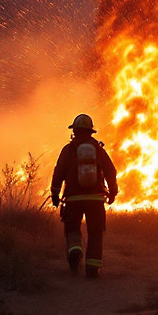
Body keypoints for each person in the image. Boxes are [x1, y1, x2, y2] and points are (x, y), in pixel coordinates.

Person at [50, 113, 118, 277]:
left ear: (75, 131)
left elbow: (58, 172)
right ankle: (92, 269)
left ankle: (75, 251)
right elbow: (110, 171)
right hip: (95, 199)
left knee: (72, 229)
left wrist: (55, 193)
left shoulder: (68, 150)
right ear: (90, 132)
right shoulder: (98, 150)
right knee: (95, 233)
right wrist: (113, 192)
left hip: (73, 198)